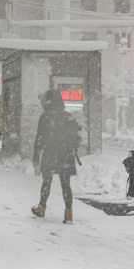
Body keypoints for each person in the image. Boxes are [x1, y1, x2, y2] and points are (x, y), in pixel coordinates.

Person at [31, 89, 82, 224]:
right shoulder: (68, 117)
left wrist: (36, 157)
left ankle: (41, 208)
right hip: (66, 155)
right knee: (66, 185)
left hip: (50, 153)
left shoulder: (45, 117)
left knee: (46, 181)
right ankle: (68, 213)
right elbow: (77, 138)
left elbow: (39, 138)